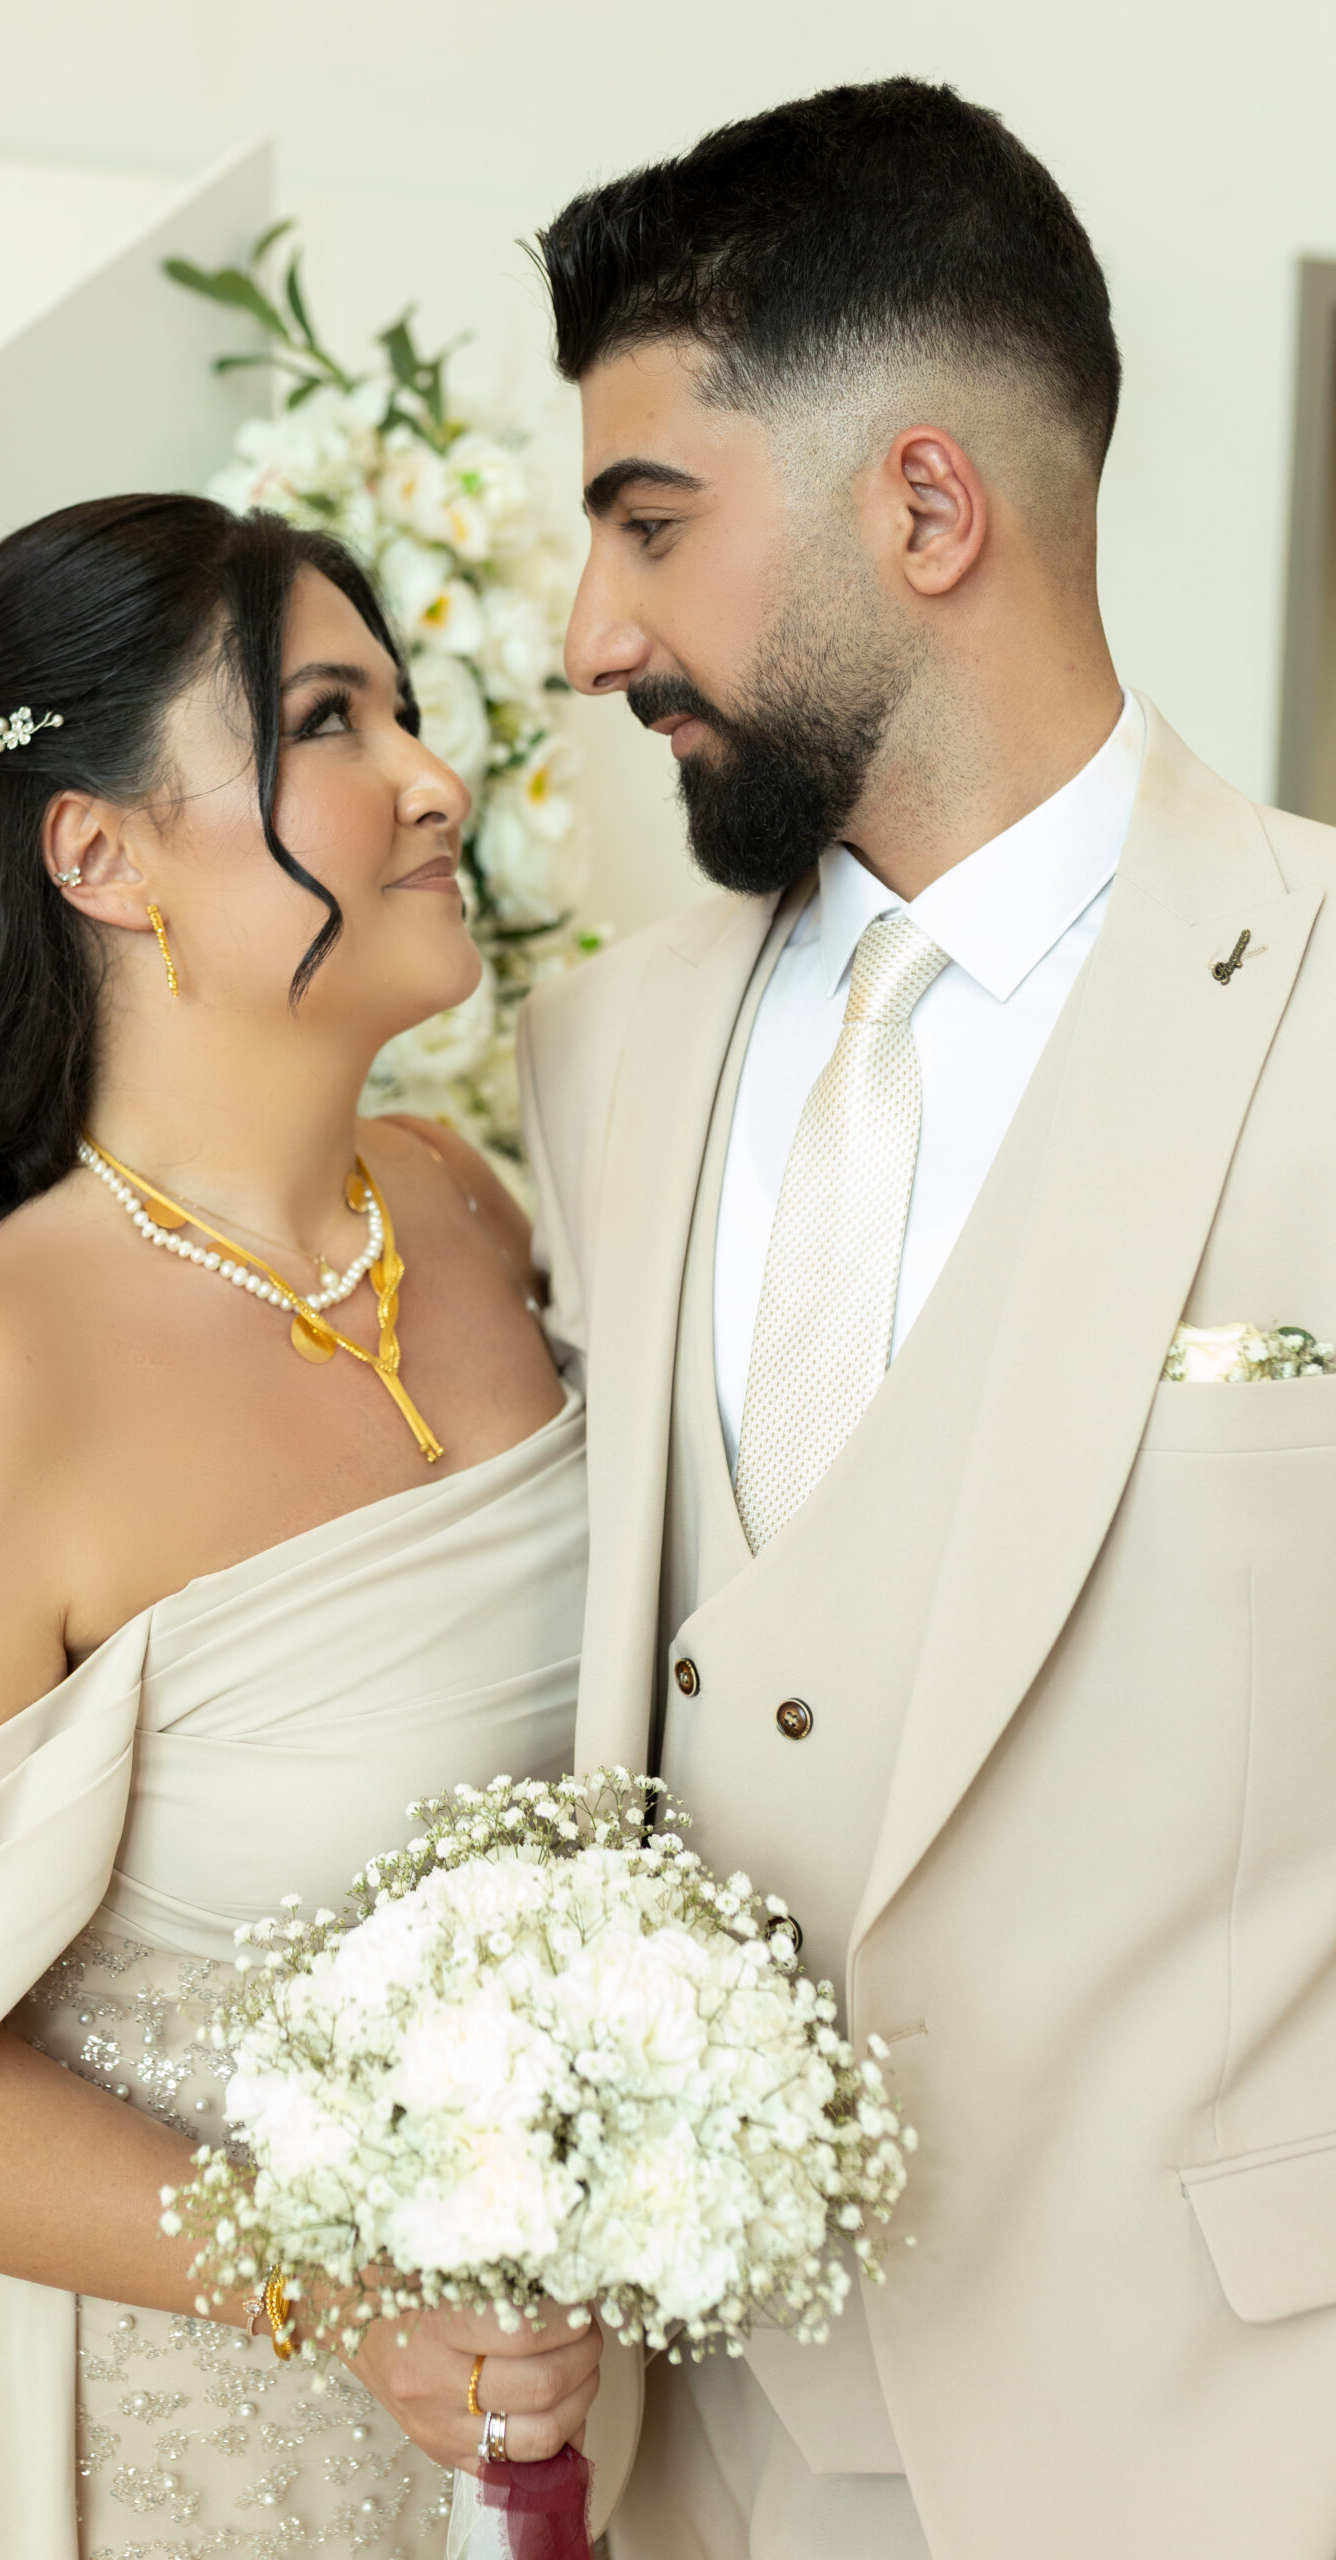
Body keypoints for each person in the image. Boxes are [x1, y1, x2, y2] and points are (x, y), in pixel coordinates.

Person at [0, 494, 633, 2556]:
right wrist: (342, 2285)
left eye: (404, 711)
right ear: (97, 854)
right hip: (165, 2427)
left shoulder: (459, 1206)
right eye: (330, 720)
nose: (434, 781)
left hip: (547, 2386)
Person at [520, 75, 1336, 2560]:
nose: (587, 637)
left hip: (1223, 2437)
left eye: (650, 523)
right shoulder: (596, 1046)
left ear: (923, 504)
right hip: (701, 2451)